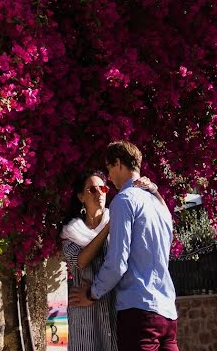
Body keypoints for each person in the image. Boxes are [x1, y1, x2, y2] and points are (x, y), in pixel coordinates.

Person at [69, 140, 178, 351]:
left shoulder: (123, 200)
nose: (108, 177)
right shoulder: (160, 206)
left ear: (118, 163)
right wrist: (155, 191)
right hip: (168, 313)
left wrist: (91, 293)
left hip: (139, 313)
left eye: (109, 168)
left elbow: (118, 262)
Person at [60, 170, 119, 351]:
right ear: (81, 197)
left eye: (102, 188)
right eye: (92, 190)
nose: (99, 193)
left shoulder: (118, 224)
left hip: (115, 309)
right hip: (86, 317)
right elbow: (81, 261)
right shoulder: (71, 232)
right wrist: (107, 228)